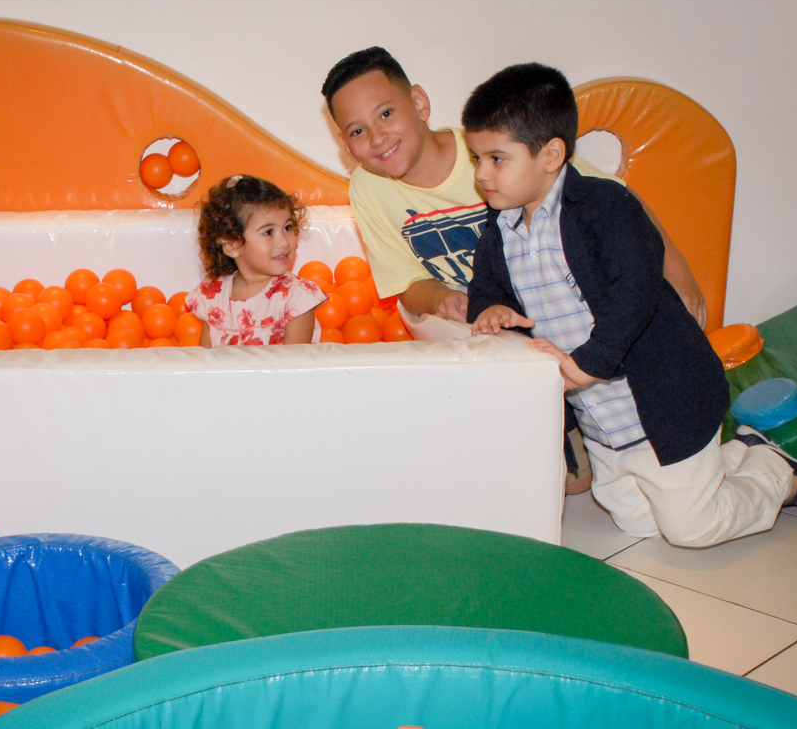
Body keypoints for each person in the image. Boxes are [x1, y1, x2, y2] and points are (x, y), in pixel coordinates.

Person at [464, 63, 797, 548]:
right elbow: (485, 286)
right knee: (638, 522)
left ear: (551, 154)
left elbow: (634, 293)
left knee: (692, 530)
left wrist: (590, 363)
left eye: (496, 158)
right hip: (601, 418)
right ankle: (737, 454)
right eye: (476, 159)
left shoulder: (604, 206)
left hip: (664, 401)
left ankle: (772, 472)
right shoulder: (502, 228)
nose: (481, 175)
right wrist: (490, 308)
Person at [321, 46, 708, 495]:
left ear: (420, 104)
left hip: (560, 303)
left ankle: (594, 427)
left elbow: (618, 205)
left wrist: (680, 278)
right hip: (487, 322)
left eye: (386, 113)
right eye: (357, 130)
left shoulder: (490, 147)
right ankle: (554, 435)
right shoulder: (368, 189)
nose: (377, 136)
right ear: (345, 144)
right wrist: (443, 299)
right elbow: (404, 283)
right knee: (561, 482)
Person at [186, 175, 326, 346]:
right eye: (268, 232)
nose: (283, 241)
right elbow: (204, 364)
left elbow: (294, 367)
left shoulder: (297, 297)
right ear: (232, 245)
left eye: (288, 227)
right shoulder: (212, 298)